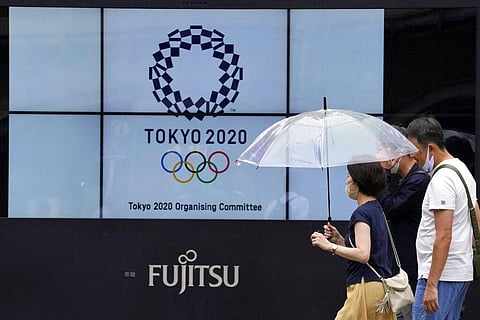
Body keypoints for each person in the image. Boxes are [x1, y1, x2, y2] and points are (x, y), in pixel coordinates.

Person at [406, 116, 478, 319]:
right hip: (458, 272)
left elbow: (444, 234)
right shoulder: (462, 171)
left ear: (430, 148)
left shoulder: (442, 180)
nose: (413, 156)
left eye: (416, 151)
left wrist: (431, 284)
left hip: (440, 276)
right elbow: (476, 218)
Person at [311, 160, 396, 320]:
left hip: (365, 288)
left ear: (358, 181)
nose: (346, 180)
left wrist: (329, 246)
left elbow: (363, 255)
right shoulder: (377, 209)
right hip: (381, 288)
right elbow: (368, 251)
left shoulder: (362, 213)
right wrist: (340, 240)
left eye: (349, 176)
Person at [378, 126, 430, 320]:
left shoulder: (419, 180)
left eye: (384, 151)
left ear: (398, 152)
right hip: (399, 264)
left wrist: (384, 173)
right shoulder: (402, 180)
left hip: (413, 264)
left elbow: (391, 208)